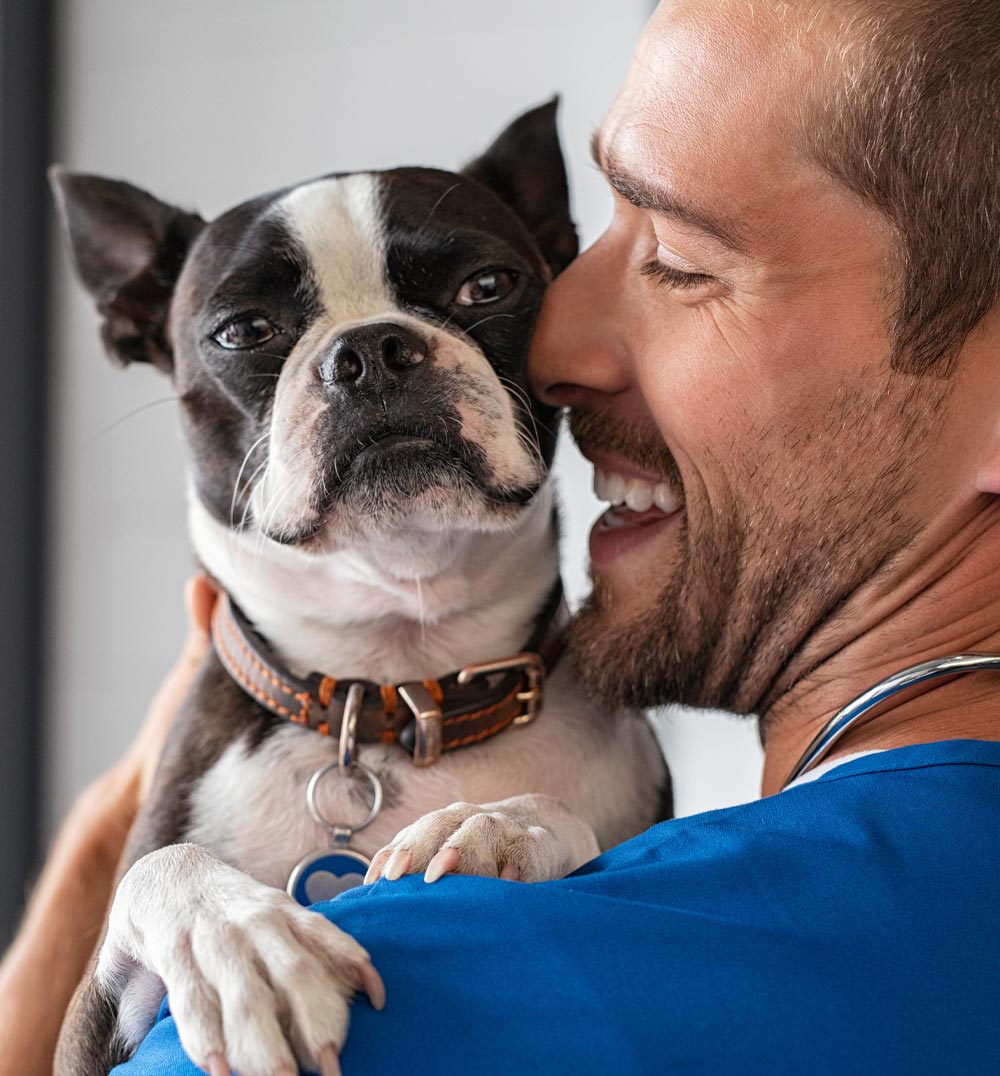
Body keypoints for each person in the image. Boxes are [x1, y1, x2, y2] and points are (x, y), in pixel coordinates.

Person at [5, 0, 1000, 1072]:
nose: (558, 343)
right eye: (251, 333)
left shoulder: (408, 999)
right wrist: (128, 847)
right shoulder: (857, 891)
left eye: (677, 259)